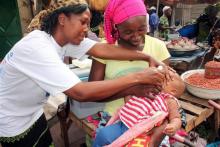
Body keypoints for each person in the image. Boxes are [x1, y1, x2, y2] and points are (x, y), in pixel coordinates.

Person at [0, 0, 169, 147]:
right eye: (83, 22)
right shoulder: (38, 48)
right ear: (62, 19)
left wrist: (147, 56)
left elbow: (102, 49)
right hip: (12, 119)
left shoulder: (62, 40)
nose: (87, 29)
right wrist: (138, 77)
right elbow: (80, 92)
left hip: (33, 112)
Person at [89, 0, 171, 117]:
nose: (136, 37)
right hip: (114, 116)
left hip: (151, 116)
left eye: (141, 29)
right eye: (128, 32)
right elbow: (93, 94)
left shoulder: (158, 46)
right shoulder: (104, 48)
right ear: (116, 27)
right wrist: (131, 89)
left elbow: (166, 88)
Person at [93, 71, 185, 147]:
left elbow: (176, 118)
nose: (161, 77)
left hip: (142, 133)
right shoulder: (148, 88)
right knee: (103, 135)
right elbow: (129, 101)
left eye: (166, 79)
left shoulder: (169, 99)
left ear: (173, 91)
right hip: (123, 123)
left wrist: (174, 126)